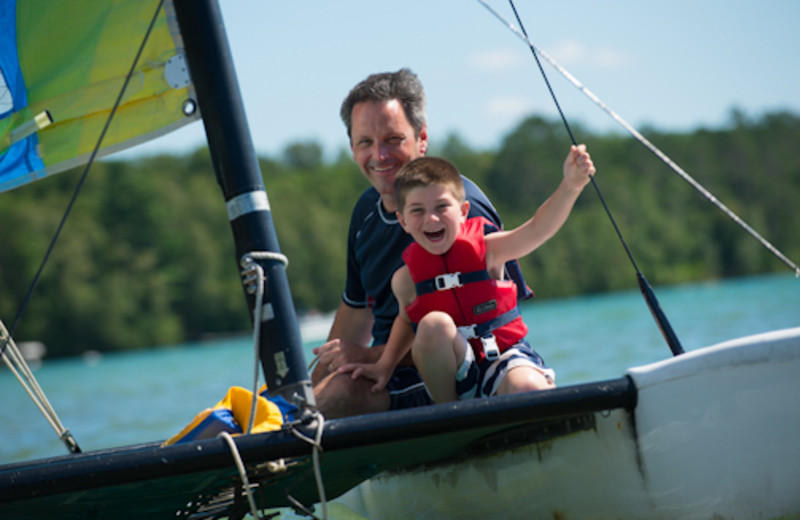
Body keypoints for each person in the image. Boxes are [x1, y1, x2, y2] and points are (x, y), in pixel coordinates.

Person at [311, 68, 531, 418]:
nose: (379, 155)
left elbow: (479, 325)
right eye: (365, 142)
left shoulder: (458, 211)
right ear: (352, 149)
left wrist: (370, 357)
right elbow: (356, 309)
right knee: (297, 401)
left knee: (340, 392)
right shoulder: (365, 213)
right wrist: (303, 396)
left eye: (393, 139)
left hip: (458, 371)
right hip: (389, 374)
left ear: (421, 138)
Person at [340, 152, 595, 403]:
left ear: (463, 211)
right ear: (403, 221)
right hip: (454, 374)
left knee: (527, 387)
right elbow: (406, 321)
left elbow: (539, 229)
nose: (431, 218)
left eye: (442, 206)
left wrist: (571, 186)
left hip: (503, 358)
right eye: (417, 210)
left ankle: (535, 399)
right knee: (432, 325)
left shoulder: (490, 250)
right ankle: (451, 415)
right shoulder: (405, 280)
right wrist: (385, 365)